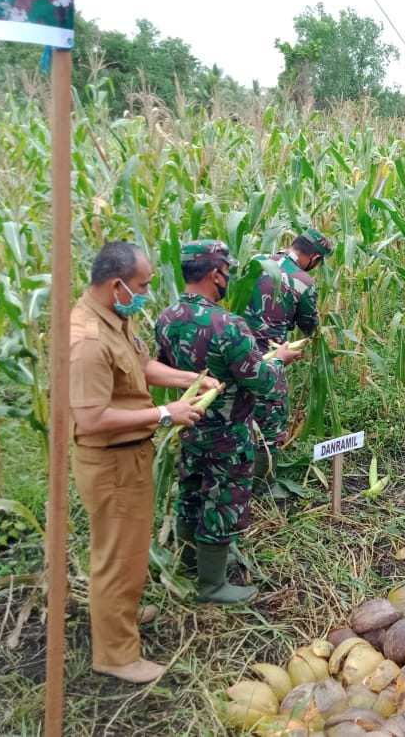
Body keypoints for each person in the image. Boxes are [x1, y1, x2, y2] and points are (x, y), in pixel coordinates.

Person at [69, 241, 219, 684]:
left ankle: (123, 617)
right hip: (110, 463)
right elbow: (91, 417)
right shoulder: (87, 341)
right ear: (117, 285)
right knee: (116, 557)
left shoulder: (115, 316)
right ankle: (115, 656)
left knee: (131, 552)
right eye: (143, 285)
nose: (147, 293)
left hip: (130, 457)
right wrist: (163, 414)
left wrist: (190, 378)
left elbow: (141, 367)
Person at [155, 241, 303, 604]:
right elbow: (261, 381)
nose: (229, 279)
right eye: (226, 271)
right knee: (223, 501)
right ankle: (213, 585)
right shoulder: (228, 325)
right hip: (227, 432)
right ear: (213, 273)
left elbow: (167, 366)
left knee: (191, 490)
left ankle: (187, 561)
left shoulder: (167, 317)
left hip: (189, 425)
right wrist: (279, 359)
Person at [243, 228, 333, 489]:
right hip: (269, 359)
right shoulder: (304, 281)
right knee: (269, 422)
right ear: (315, 259)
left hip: (230, 352)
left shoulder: (256, 261)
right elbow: (309, 326)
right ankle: (260, 490)